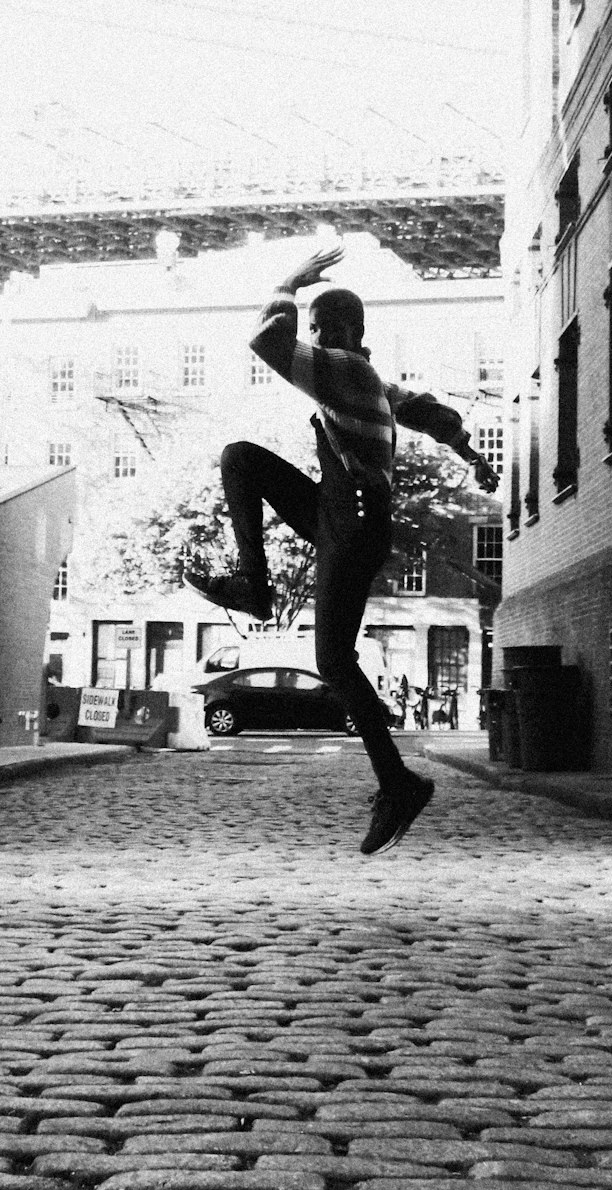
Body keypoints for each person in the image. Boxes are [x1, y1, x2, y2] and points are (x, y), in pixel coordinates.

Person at [184, 242, 499, 854]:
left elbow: (268, 343)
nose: (321, 338)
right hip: (341, 518)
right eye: (319, 327)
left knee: (333, 662)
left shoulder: (346, 372)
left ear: (355, 332)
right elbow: (427, 411)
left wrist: (289, 285)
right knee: (240, 460)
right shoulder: (372, 381)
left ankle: (398, 783)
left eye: (331, 328)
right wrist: (470, 452)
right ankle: (255, 587)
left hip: (349, 526)